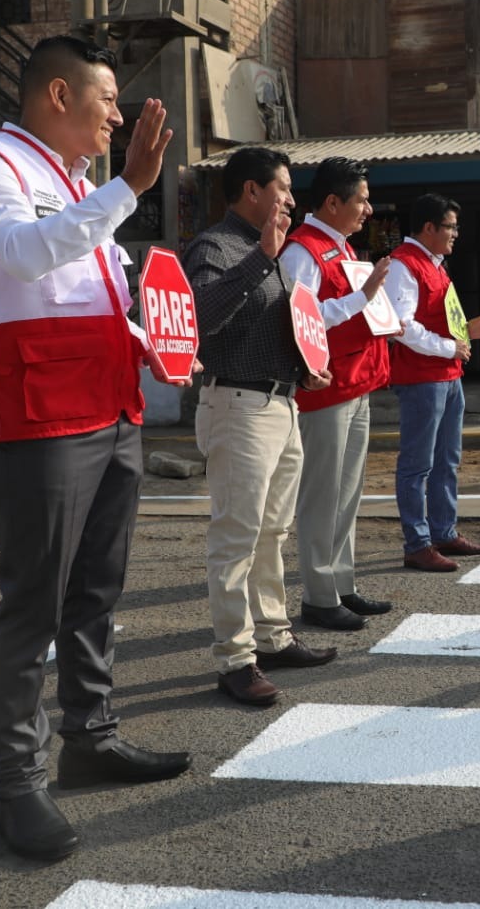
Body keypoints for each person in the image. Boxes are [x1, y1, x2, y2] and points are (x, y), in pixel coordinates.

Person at [0, 34, 190, 861]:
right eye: (107, 100)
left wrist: (148, 339)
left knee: (96, 590)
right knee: (32, 606)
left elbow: (94, 291)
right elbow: (23, 256)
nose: (118, 115)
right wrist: (129, 189)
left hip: (108, 409)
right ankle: (16, 784)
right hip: (36, 418)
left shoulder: (75, 183)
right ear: (58, 94)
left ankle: (91, 735)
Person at [184, 147, 338, 707]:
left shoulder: (264, 251)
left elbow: (264, 328)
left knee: (273, 532)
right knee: (236, 538)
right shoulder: (215, 246)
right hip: (238, 408)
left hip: (282, 404)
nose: (292, 202)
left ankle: (272, 637)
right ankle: (235, 658)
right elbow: (200, 317)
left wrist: (304, 368)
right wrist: (261, 259)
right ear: (252, 191)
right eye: (284, 190)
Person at [281, 157, 395, 631]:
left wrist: (379, 311)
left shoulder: (341, 248)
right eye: (361, 200)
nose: (368, 209)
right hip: (325, 390)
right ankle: (319, 595)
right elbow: (300, 320)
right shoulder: (301, 252)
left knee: (347, 494)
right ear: (332, 202)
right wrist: (363, 298)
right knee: (322, 496)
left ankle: (341, 585)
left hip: (355, 383)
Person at [383, 193, 480, 572]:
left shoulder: (434, 264)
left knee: (447, 460)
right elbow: (401, 327)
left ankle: (443, 531)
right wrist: (449, 346)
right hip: (422, 377)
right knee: (418, 464)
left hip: (447, 375)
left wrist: (467, 332)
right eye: (449, 226)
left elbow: (437, 321)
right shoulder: (405, 265)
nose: (455, 233)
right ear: (429, 228)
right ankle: (417, 544)